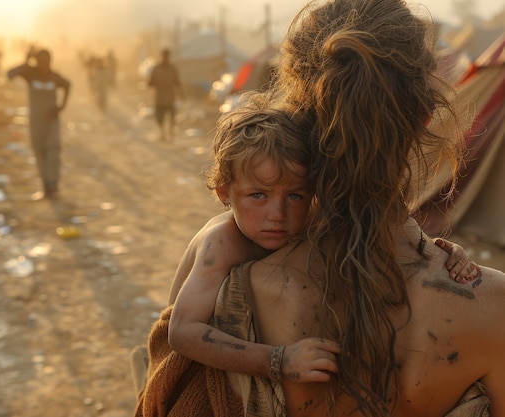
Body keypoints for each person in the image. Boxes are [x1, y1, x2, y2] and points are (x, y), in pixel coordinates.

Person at [175, 0, 505, 415]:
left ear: (296, 116)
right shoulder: (493, 305)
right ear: (424, 116)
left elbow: (165, 389)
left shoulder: (224, 278)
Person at [135, 89, 480, 414]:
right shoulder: (221, 242)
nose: (278, 214)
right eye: (258, 195)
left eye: (295, 195)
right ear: (225, 193)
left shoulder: (305, 222)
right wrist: (278, 361)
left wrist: (443, 254)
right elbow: (182, 332)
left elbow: (385, 239)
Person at [7, 47, 71, 198]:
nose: (44, 64)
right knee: (39, 151)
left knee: (53, 151)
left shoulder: (54, 77)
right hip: (36, 120)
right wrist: (25, 61)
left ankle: (53, 184)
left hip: (51, 121)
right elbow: (9, 74)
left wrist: (62, 106)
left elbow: (68, 85)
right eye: (40, 61)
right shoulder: (30, 74)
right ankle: (45, 185)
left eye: (46, 61)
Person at [147, 48, 185, 142]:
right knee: (159, 118)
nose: (166, 58)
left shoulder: (172, 68)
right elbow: (150, 83)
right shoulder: (156, 68)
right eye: (164, 56)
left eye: (167, 56)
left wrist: (182, 93)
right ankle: (162, 134)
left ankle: (170, 135)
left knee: (171, 118)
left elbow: (177, 82)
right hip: (159, 98)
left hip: (170, 98)